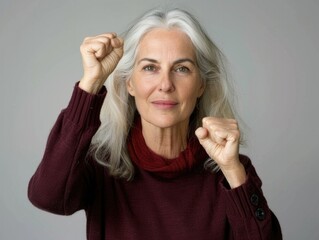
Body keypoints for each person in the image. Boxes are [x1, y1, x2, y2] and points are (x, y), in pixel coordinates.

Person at [28, 7, 282, 240]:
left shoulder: (230, 171)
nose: (165, 84)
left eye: (181, 69)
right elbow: (48, 198)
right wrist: (91, 84)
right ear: (130, 83)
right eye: (150, 68)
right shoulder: (102, 165)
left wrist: (233, 171)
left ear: (201, 85)